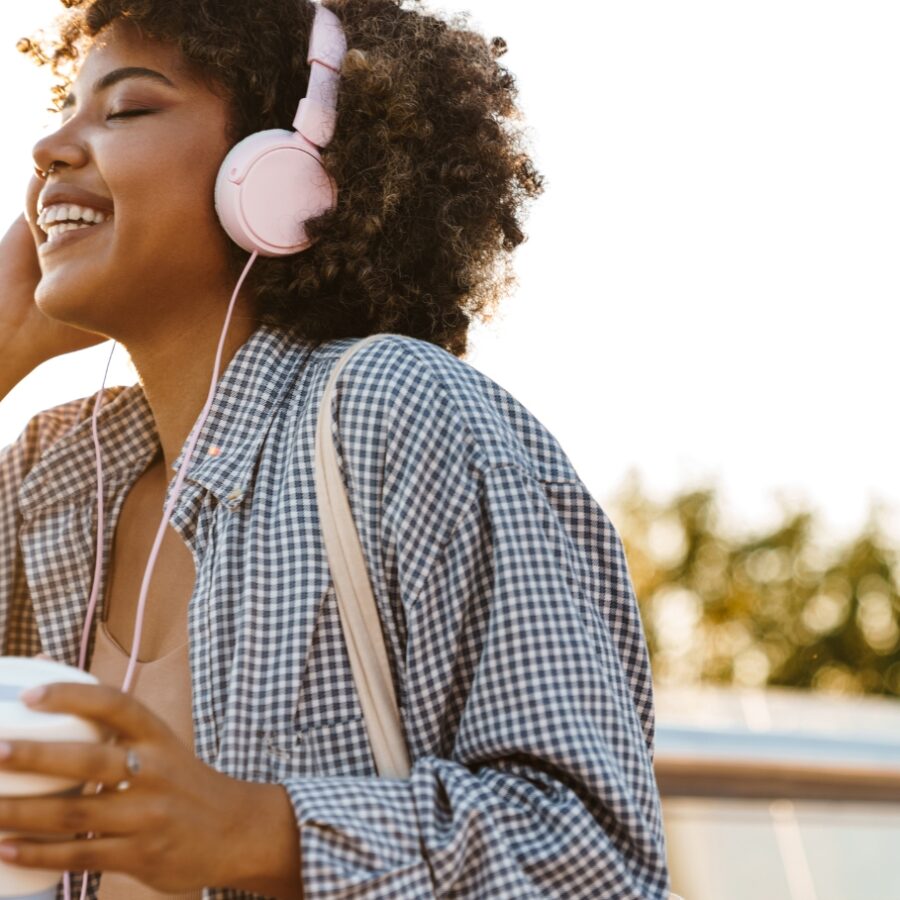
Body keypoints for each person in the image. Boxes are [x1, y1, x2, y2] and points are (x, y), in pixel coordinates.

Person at [0, 0, 672, 897]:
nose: (51, 146)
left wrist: (253, 834)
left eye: (124, 109)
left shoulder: (396, 412)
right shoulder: (57, 468)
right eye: (67, 106)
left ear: (277, 176)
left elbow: (597, 860)